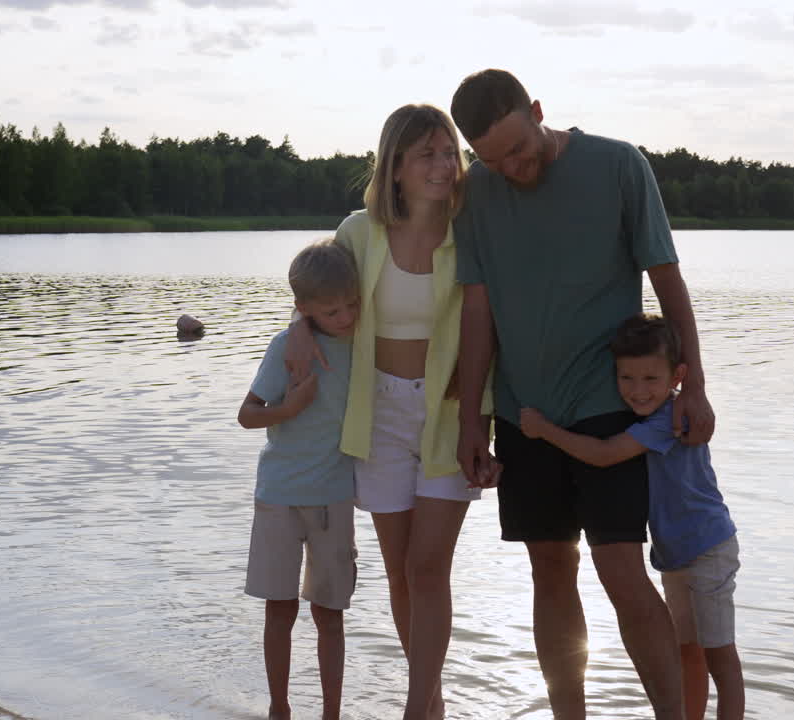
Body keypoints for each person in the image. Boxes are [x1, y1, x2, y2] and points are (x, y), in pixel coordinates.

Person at [450, 68, 715, 720]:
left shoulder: (619, 166)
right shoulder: (475, 191)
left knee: (621, 569)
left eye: (518, 149)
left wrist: (695, 385)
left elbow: (667, 279)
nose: (511, 168)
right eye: (493, 159)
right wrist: (471, 422)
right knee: (549, 567)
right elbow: (477, 311)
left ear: (538, 111)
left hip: (610, 405)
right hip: (523, 412)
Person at [285, 104, 496, 720]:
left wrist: (480, 421)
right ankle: (432, 703)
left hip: (450, 415)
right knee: (401, 573)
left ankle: (413, 707)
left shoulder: (471, 228)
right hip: (376, 415)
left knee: (429, 568)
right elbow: (316, 292)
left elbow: (487, 324)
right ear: (395, 166)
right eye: (427, 154)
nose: (443, 165)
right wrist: (298, 324)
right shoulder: (359, 232)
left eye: (449, 152)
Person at [520, 314, 743, 720]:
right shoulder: (647, 416)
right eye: (627, 378)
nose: (638, 391)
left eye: (650, 379)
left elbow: (604, 455)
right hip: (676, 554)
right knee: (687, 650)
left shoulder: (668, 419)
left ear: (678, 376)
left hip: (708, 548)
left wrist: (544, 430)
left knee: (719, 656)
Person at [237, 238, 362, 720]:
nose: (345, 317)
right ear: (304, 308)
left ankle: (332, 713)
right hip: (279, 495)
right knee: (280, 609)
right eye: (332, 311)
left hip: (334, 497)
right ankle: (280, 709)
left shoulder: (364, 344)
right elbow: (247, 414)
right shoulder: (286, 348)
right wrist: (289, 408)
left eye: (351, 305)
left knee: (330, 614)